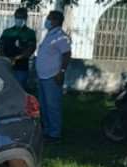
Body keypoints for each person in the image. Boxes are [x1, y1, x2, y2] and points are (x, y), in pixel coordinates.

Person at [36, 10, 71, 142]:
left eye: (49, 18)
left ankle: (55, 134)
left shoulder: (61, 36)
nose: (47, 21)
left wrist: (61, 72)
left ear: (56, 21)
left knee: (53, 106)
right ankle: (47, 131)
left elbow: (66, 54)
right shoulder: (50, 34)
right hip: (43, 76)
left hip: (52, 76)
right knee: (44, 105)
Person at [0, 7, 36, 89]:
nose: (19, 19)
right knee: (5, 89)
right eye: (17, 17)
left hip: (21, 68)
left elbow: (30, 50)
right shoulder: (7, 32)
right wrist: (6, 59)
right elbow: (0, 47)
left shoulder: (30, 33)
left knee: (19, 90)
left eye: (21, 17)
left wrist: (16, 58)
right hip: (6, 66)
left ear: (26, 18)